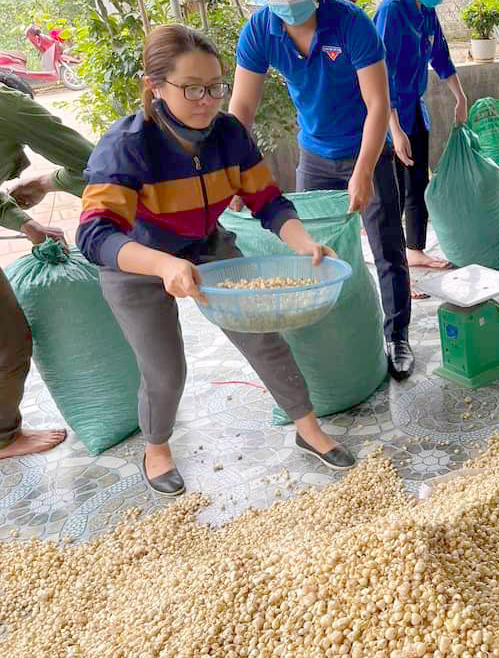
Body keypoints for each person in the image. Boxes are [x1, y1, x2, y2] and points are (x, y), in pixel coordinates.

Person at [77, 24, 357, 496]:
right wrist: (164, 266)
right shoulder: (129, 145)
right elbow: (94, 233)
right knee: (165, 368)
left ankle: (308, 429)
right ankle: (158, 447)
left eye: (215, 87)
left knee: (263, 337)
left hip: (206, 247)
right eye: (191, 89)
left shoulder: (228, 135)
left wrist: (303, 242)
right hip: (137, 263)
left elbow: (267, 200)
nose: (207, 100)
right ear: (156, 87)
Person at [228, 0, 416, 381]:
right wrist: (231, 173)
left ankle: (397, 336)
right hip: (313, 157)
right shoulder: (260, 29)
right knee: (312, 251)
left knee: (386, 246)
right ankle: (329, 336)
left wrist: (365, 170)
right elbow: (242, 108)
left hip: (369, 152)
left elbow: (377, 105)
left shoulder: (352, 24)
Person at [0, 69, 93, 460]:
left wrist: (27, 223)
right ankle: (4, 437)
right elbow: (94, 163)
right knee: (8, 340)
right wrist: (49, 182)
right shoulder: (9, 104)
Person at [374, 0, 469, 278]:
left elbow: (440, 55)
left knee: (418, 183)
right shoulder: (392, 11)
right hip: (387, 114)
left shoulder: (426, 11)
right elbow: (380, 75)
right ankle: (395, 263)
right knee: (393, 192)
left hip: (415, 109)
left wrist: (460, 96)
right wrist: (395, 130)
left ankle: (414, 251)